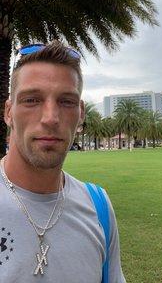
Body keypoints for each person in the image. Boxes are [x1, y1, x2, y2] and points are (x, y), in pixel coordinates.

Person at [0, 41, 126, 283]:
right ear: (8, 112)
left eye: (66, 101)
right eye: (31, 100)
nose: (50, 118)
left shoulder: (98, 207)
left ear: (80, 114)